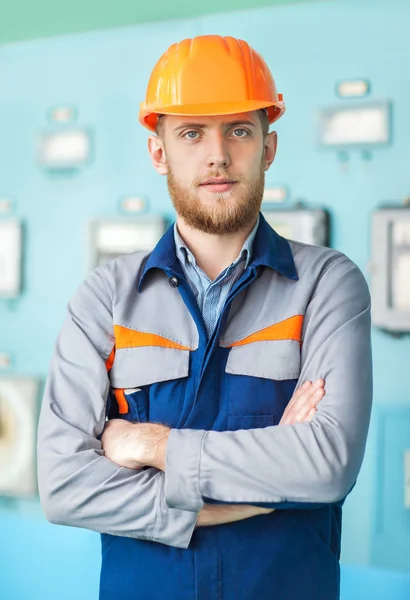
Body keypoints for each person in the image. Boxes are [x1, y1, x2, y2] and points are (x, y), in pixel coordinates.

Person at [37, 35, 373, 600]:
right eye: (192, 133)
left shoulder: (326, 286)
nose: (217, 154)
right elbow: (65, 486)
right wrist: (263, 491)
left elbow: (327, 464)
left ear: (268, 147)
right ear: (159, 152)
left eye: (239, 130)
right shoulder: (105, 298)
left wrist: (151, 446)